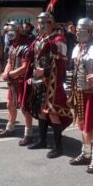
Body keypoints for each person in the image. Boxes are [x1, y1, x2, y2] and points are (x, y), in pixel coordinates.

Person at [23, 12, 72, 158]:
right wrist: (32, 75)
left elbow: (62, 64)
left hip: (52, 81)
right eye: (39, 23)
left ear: (51, 23)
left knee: (52, 112)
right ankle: (42, 140)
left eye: (44, 23)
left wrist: (45, 71)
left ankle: (58, 147)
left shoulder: (59, 40)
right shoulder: (38, 39)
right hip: (39, 80)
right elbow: (33, 60)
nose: (41, 26)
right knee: (40, 111)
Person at [67, 18, 93, 173]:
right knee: (82, 124)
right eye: (76, 29)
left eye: (79, 30)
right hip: (79, 91)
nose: (76, 32)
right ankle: (86, 153)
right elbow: (74, 70)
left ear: (89, 31)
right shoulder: (77, 47)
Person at [0, 21, 34, 146]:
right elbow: (9, 61)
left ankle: (29, 134)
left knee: (24, 108)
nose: (8, 33)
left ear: (19, 31)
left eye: (11, 31)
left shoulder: (26, 47)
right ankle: (10, 128)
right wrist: (6, 72)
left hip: (22, 81)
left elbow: (25, 67)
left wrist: (9, 75)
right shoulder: (13, 46)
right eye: (7, 31)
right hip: (13, 81)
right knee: (10, 105)